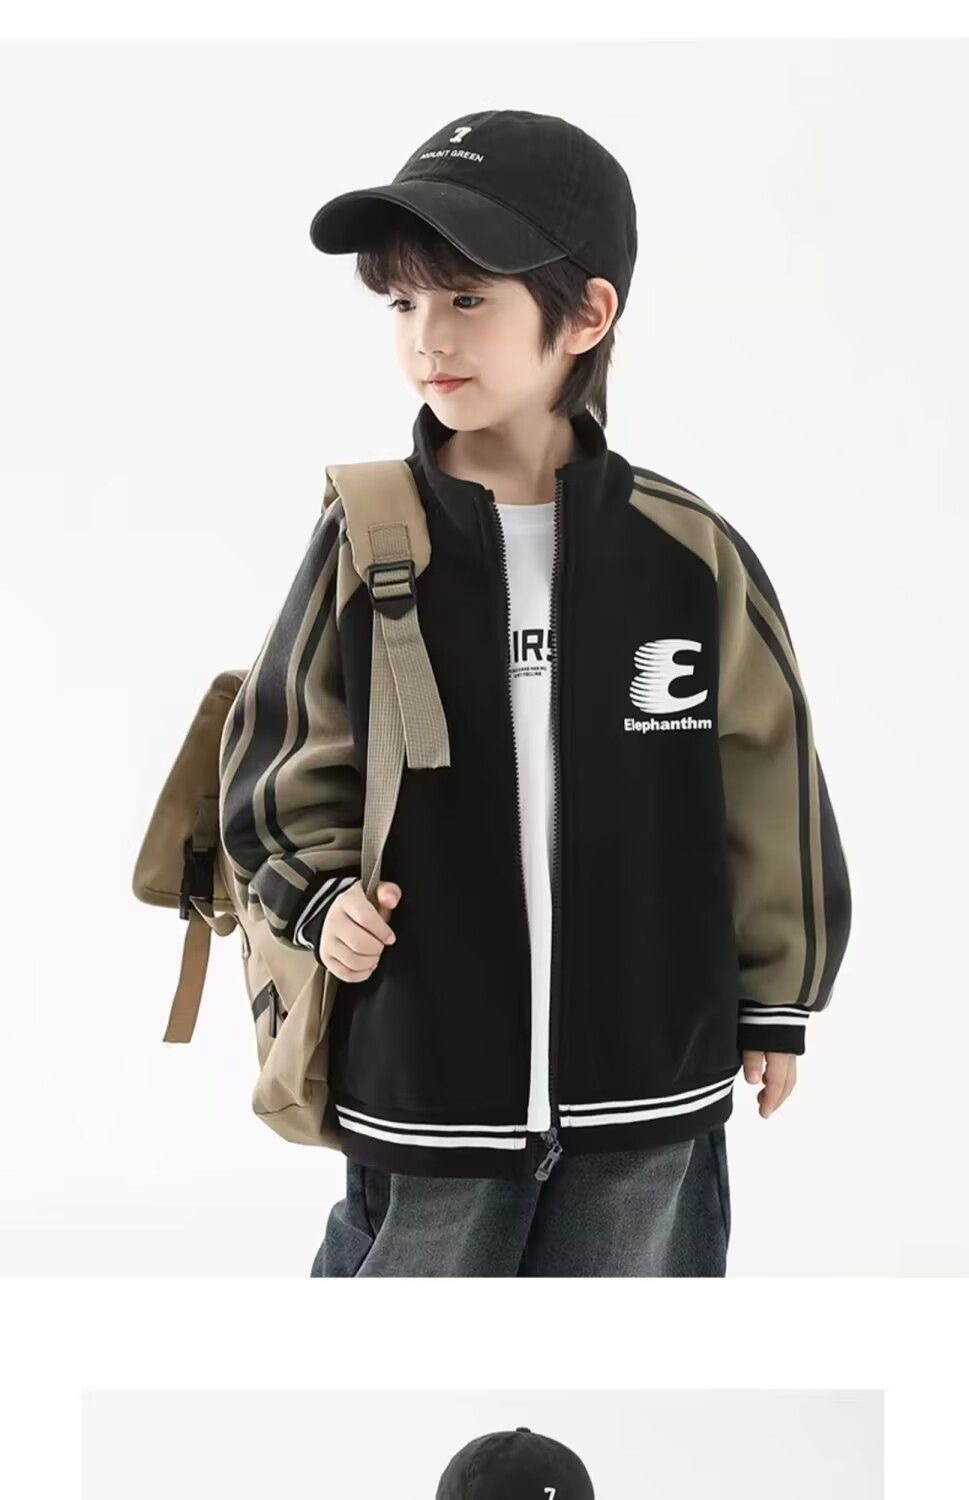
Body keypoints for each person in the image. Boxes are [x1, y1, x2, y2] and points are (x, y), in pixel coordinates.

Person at [218, 108, 852, 1278]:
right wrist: (321, 901)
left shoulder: (686, 551)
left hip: (652, 1069)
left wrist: (777, 1001)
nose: (427, 337)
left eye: (468, 297)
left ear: (588, 314)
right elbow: (278, 766)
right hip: (431, 1074)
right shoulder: (369, 538)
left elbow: (770, 783)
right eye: (401, 302)